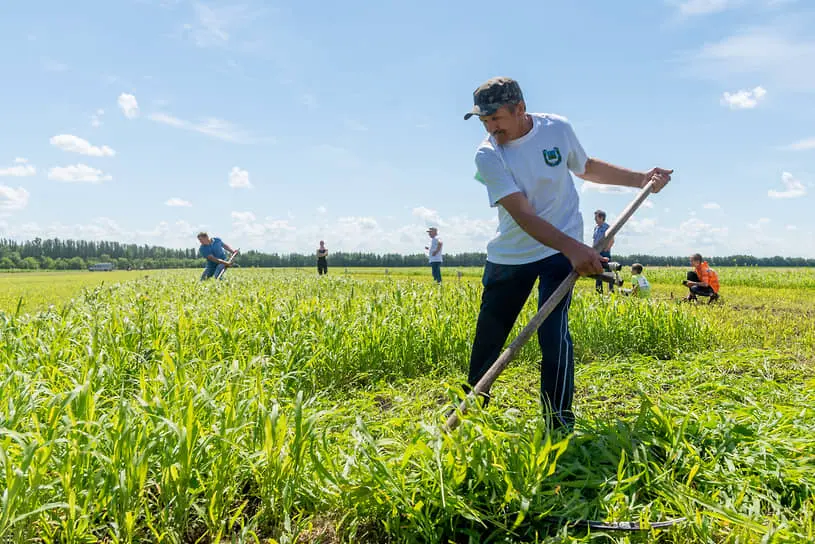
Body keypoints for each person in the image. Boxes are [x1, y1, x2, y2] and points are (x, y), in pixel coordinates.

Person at [464, 76, 672, 430]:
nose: (490, 127)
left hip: (559, 251)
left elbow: (586, 167)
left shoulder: (556, 129)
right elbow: (523, 214)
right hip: (512, 255)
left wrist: (641, 179)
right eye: (484, 121)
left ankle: (558, 422)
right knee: (490, 336)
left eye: (496, 118)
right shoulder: (487, 154)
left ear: (519, 109)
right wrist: (576, 249)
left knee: (553, 335)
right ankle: (469, 414)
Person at [593, 210, 615, 294]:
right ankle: (599, 291)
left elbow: (612, 240)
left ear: (601, 218)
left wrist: (606, 249)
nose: (595, 219)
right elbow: (594, 240)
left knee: (608, 271)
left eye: (596, 217)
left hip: (605, 253)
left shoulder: (607, 227)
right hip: (597, 253)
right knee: (598, 271)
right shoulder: (596, 228)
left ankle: (611, 290)